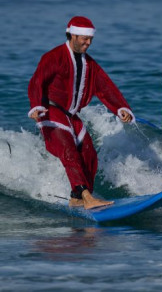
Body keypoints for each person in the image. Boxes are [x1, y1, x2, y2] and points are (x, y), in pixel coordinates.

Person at [28, 16, 134, 209]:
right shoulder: (54, 57)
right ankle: (87, 198)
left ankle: (77, 197)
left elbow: (105, 87)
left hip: (70, 116)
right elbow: (36, 82)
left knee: (88, 152)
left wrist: (121, 108)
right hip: (50, 111)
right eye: (85, 39)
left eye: (91, 39)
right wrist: (36, 106)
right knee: (69, 151)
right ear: (73, 35)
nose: (88, 43)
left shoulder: (89, 64)